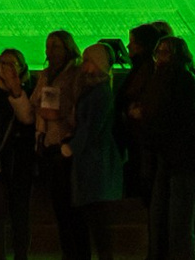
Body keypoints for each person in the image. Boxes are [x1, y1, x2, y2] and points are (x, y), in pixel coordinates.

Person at [139, 36, 195, 260]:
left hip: (180, 159)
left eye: (165, 53)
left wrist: (146, 115)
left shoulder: (182, 79)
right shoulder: (175, 78)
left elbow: (178, 118)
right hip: (171, 158)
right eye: (158, 52)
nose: (159, 58)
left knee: (178, 224)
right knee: (168, 221)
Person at [66, 42, 124, 260]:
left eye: (88, 61)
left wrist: (71, 147)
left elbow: (91, 128)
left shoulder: (100, 94)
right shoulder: (94, 90)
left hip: (95, 165)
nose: (84, 66)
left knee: (98, 221)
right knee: (96, 222)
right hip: (92, 164)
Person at [0, 47, 39, 260]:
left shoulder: (31, 89)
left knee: (20, 215)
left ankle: (20, 255)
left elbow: (28, 120)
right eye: (3, 63)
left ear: (22, 66)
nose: (6, 68)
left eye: (11, 63)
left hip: (21, 163)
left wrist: (17, 92)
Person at [114, 25, 167, 249]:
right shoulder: (145, 69)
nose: (128, 46)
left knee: (152, 197)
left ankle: (156, 247)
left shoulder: (145, 70)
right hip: (141, 143)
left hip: (143, 144)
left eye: (132, 42)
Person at [33, 32, 84, 260]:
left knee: (72, 208)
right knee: (60, 208)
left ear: (68, 48)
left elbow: (78, 107)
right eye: (48, 46)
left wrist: (59, 115)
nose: (50, 51)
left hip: (67, 143)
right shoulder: (46, 74)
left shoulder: (76, 73)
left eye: (56, 46)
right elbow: (36, 101)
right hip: (49, 143)